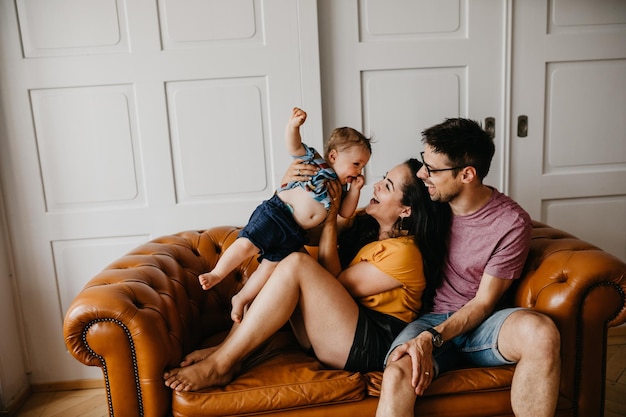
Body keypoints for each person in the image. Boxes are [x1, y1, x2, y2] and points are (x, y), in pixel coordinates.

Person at [164, 158, 450, 392]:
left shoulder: (406, 253)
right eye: (383, 177)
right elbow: (298, 225)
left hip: (370, 343)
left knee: (297, 263)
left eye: (386, 186)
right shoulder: (366, 226)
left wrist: (331, 219)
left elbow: (334, 283)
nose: (375, 185)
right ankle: (227, 351)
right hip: (334, 330)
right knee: (284, 249)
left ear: (406, 210)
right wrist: (288, 189)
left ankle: (220, 365)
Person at [375, 118, 561, 417]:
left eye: (433, 170)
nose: (423, 174)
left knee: (541, 332)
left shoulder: (510, 223)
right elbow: (379, 209)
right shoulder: (430, 200)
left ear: (467, 174)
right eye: (424, 163)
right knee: (397, 372)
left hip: (483, 325)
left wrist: (432, 338)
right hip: (431, 318)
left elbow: (484, 302)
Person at [199, 107, 372, 322]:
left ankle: (241, 298)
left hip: (294, 233)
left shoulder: (342, 188)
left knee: (268, 269)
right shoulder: (317, 163)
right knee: (246, 245)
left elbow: (344, 213)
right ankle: (217, 273)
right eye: (356, 164)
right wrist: (293, 126)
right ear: (334, 156)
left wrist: (355, 190)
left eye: (363, 166)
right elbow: (295, 147)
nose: (359, 171)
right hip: (278, 213)